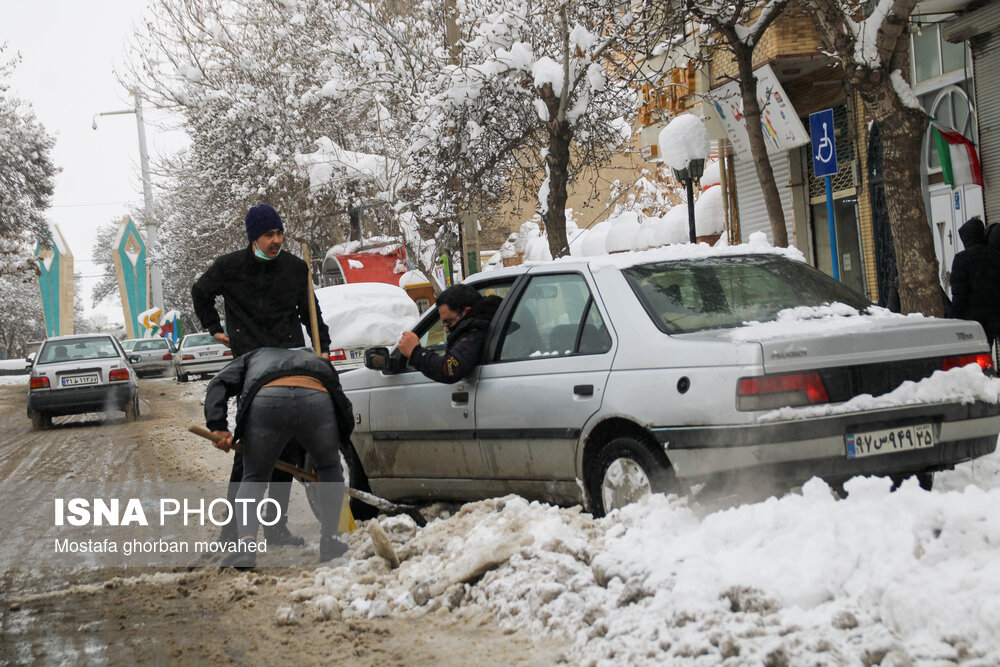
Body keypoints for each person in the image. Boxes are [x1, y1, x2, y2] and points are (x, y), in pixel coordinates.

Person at [192, 204, 332, 545]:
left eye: (279, 233)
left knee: (287, 451)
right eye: (269, 234)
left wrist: (322, 347)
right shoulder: (230, 268)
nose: (276, 240)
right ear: (254, 237)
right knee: (251, 451)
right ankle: (231, 531)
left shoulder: (295, 269)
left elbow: (310, 311)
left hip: (288, 363)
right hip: (253, 367)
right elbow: (201, 293)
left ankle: (275, 527)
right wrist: (214, 328)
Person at [205, 347, 353, 568]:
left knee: (254, 477)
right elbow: (341, 404)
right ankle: (330, 540)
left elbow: (218, 382)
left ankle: (246, 547)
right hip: (315, 397)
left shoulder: (253, 356)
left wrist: (217, 425)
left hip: (267, 400)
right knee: (330, 469)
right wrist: (329, 454)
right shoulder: (316, 361)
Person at [396, 284, 501, 383]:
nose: (446, 330)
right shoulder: (487, 322)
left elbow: (451, 369)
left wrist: (416, 353)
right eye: (444, 323)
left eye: (449, 322)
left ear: (467, 311)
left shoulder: (476, 331)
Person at [948, 217, 1000, 347]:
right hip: (996, 314)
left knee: (980, 355)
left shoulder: (961, 259)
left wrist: (952, 318)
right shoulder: (994, 255)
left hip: (975, 319)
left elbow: (959, 294)